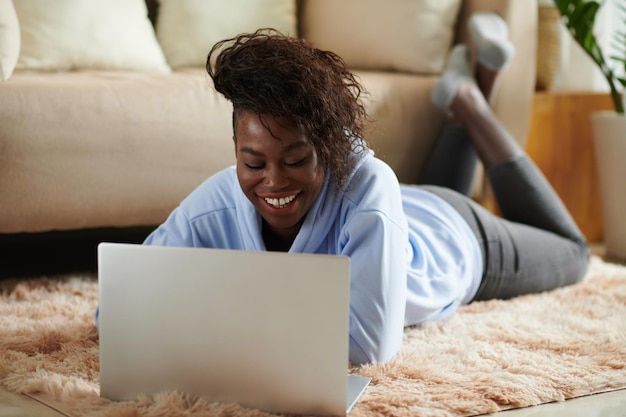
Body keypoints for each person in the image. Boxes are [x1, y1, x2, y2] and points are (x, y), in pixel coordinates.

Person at [141, 14, 589, 366]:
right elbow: (126, 305)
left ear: (329, 148)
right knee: (402, 201)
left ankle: (471, 102)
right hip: (400, 215)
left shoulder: (371, 186)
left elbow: (368, 346)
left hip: (452, 235)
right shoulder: (218, 199)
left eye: (295, 160)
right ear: (237, 149)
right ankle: (467, 87)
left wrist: (220, 318)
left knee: (573, 254)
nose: (273, 180)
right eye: (253, 162)